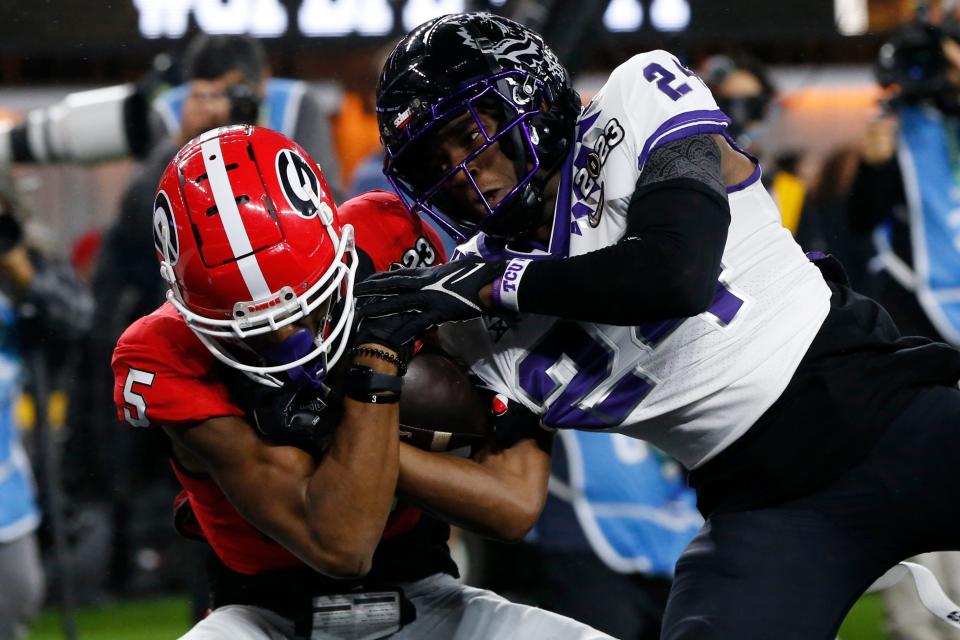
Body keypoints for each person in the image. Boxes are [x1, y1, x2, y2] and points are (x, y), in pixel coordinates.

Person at [355, 12, 960, 639]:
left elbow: (676, 274)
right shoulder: (464, 309)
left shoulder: (635, 98)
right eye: (434, 158)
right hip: (762, 508)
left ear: (528, 94)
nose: (459, 167)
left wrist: (496, 285)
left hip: (886, 413)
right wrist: (353, 395)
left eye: (468, 130)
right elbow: (511, 500)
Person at [111, 124, 610, 640]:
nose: (288, 336)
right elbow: (342, 545)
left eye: (308, 305)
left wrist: (342, 424)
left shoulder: (388, 237)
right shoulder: (161, 355)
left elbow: (511, 506)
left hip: (425, 587)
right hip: (265, 614)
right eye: (254, 332)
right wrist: (375, 385)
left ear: (337, 244)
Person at [0, 189, 93, 639]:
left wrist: (21, 275)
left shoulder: (25, 259)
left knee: (19, 591)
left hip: (8, 477)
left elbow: (78, 316)